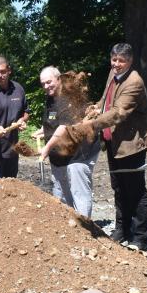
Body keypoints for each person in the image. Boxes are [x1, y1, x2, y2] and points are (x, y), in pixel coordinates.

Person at [88, 43, 147, 250]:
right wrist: (95, 108)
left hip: (130, 144)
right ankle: (122, 228)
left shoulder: (134, 82)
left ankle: (140, 236)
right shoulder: (113, 74)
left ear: (130, 61)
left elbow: (118, 112)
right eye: (114, 59)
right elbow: (106, 101)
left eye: (121, 61)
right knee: (118, 187)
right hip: (113, 142)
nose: (116, 64)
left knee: (135, 190)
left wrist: (91, 125)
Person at [35, 67, 101, 218]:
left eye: (49, 82)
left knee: (79, 190)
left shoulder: (69, 96)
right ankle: (69, 225)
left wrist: (46, 148)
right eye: (43, 83)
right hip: (62, 152)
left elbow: (64, 128)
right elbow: (54, 120)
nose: (46, 86)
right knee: (61, 190)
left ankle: (84, 227)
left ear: (58, 79)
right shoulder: (51, 97)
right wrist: (43, 130)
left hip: (80, 153)